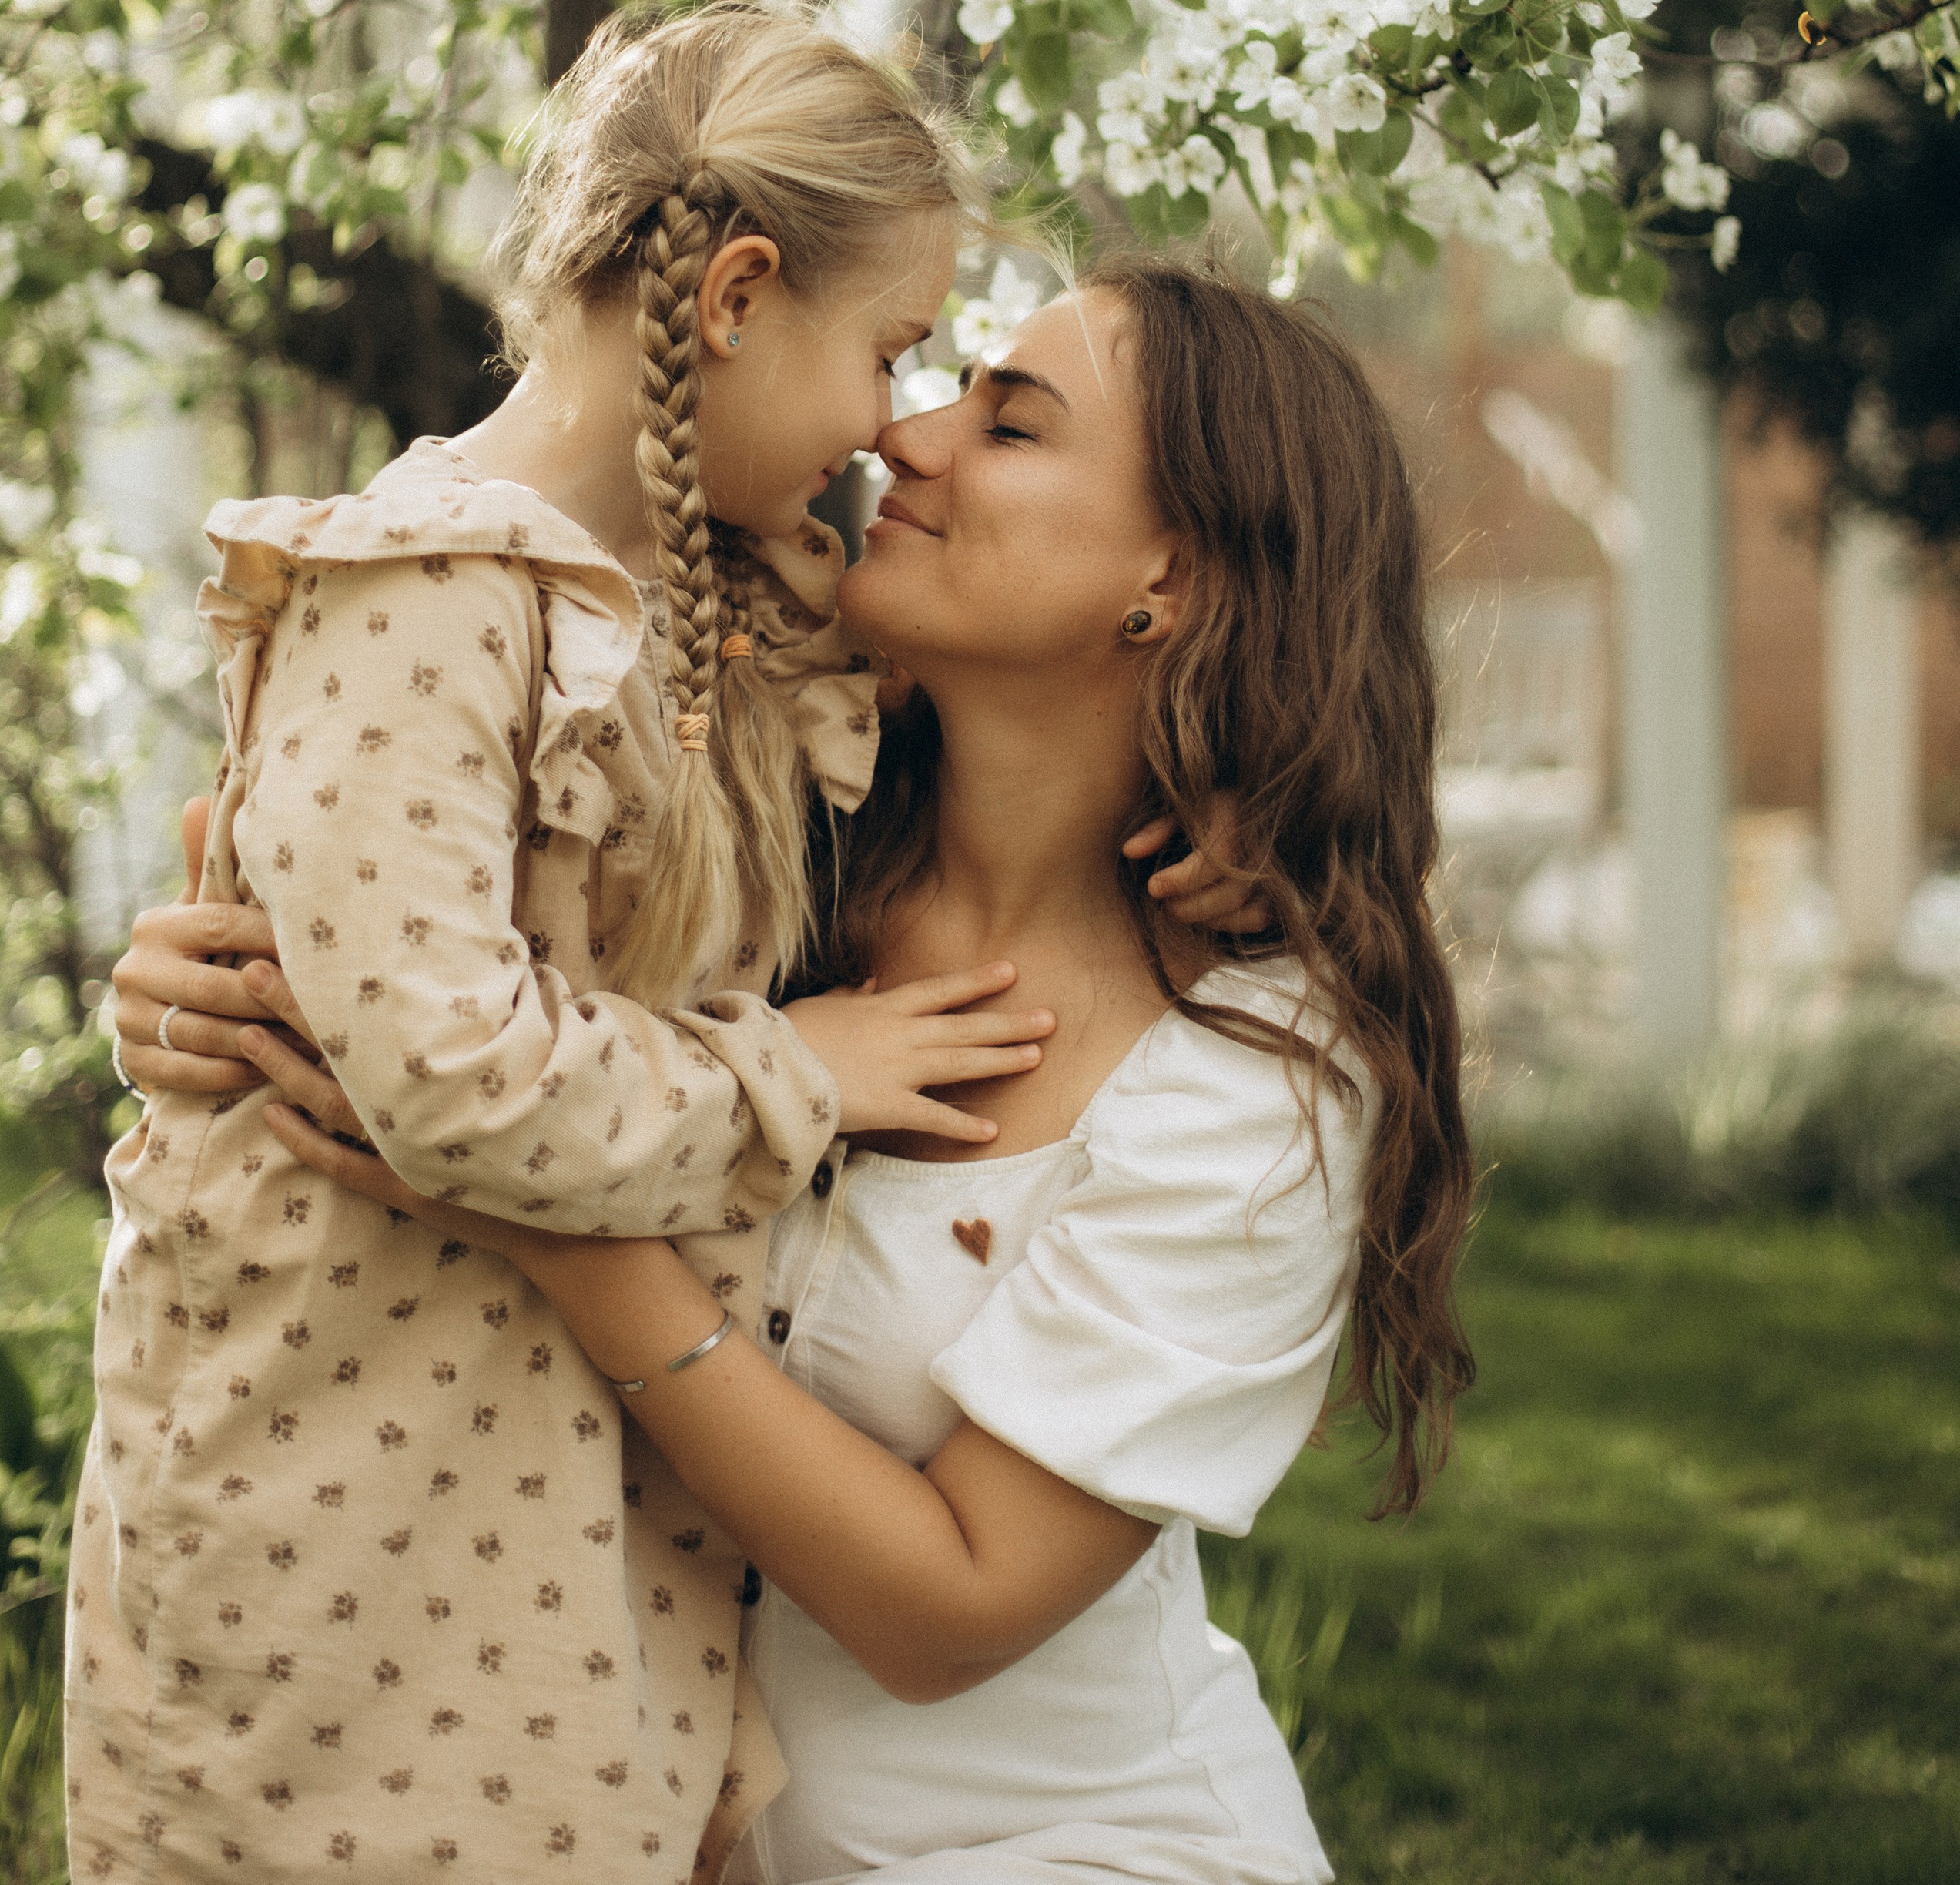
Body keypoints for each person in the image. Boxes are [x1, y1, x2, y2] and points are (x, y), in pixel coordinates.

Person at [211, 260, 1476, 1885]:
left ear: (1171, 579)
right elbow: (362, 886)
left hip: (1068, 1848)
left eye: (1009, 425)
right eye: (943, 382)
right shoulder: (763, 840)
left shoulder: (1256, 1070)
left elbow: (943, 1610)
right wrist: (195, 972)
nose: (910, 434)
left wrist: (539, 1207)